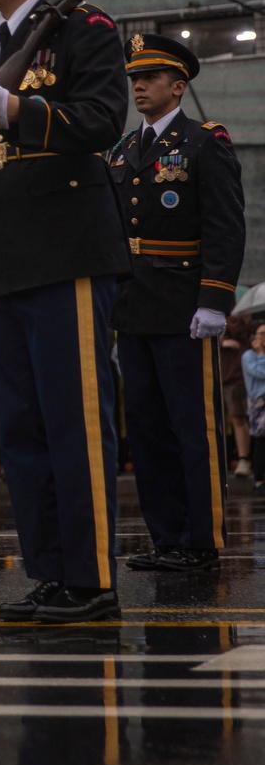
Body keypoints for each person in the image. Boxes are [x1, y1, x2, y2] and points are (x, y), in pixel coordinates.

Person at [0, 0, 129, 624]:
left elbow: (101, 121)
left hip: (66, 253)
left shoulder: (85, 30)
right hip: (5, 262)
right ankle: (49, 573)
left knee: (74, 421)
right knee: (23, 429)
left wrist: (23, 112)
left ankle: (90, 579)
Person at [111, 33, 245, 573]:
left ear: (178, 85)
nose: (138, 85)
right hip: (136, 307)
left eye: (149, 78)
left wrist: (214, 299)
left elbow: (225, 225)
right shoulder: (123, 150)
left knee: (193, 424)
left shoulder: (203, 141)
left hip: (184, 306)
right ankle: (166, 536)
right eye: (133, 78)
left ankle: (202, 539)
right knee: (145, 427)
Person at [222, 314, 255, 477]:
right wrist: (221, 341)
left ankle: (243, 459)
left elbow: (241, 330)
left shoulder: (240, 312)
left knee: (238, 418)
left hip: (234, 376)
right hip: (214, 374)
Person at [243, 323, 265, 489]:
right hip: (259, 403)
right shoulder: (248, 356)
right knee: (259, 442)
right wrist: (260, 354)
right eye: (261, 333)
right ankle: (259, 479)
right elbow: (259, 373)